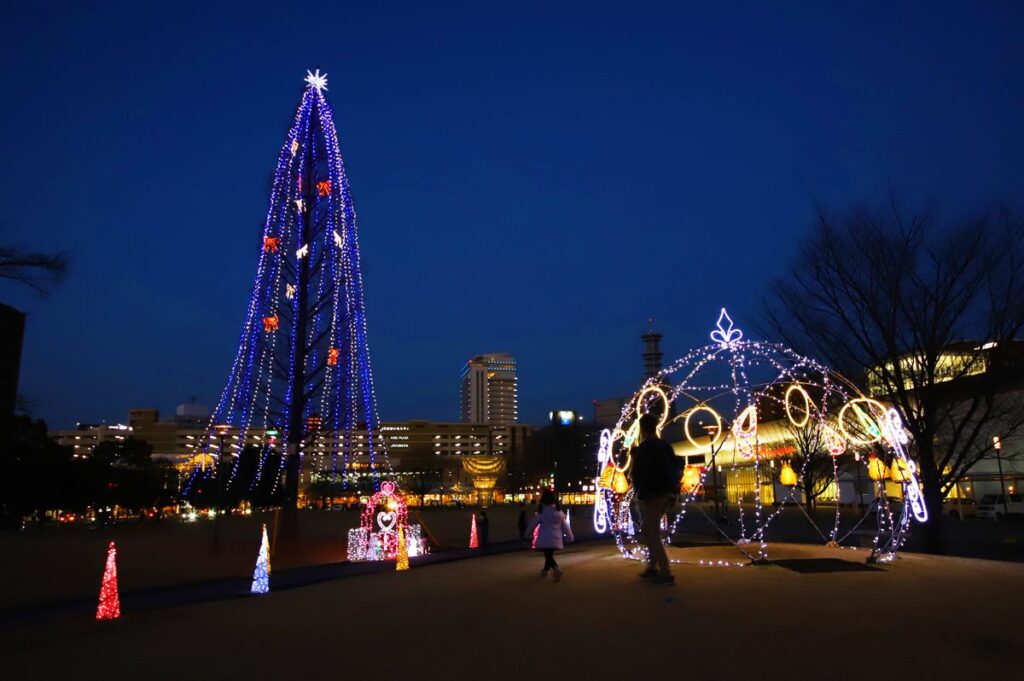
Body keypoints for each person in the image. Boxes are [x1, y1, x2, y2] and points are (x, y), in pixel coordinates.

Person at [630, 412, 680, 586]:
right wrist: (674, 491)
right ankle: (652, 565)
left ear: (642, 428)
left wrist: (643, 492)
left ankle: (665, 572)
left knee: (651, 533)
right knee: (649, 529)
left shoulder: (645, 448)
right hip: (667, 493)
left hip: (654, 494)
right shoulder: (664, 446)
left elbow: (641, 473)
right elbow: (676, 467)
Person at [524, 489, 574, 581]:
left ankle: (556, 569)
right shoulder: (560, 513)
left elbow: (533, 524)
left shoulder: (542, 513)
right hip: (556, 538)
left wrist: (527, 534)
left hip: (544, 537)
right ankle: (545, 570)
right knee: (549, 554)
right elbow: (565, 527)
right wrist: (570, 537)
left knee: (548, 555)